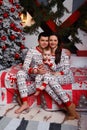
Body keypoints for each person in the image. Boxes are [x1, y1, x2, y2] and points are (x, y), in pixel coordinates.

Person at [15, 32, 78, 121]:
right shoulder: (34, 50)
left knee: (46, 80)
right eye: (42, 40)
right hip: (36, 73)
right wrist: (36, 70)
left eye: (47, 40)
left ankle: (22, 95)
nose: (45, 42)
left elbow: (58, 67)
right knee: (20, 73)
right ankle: (25, 102)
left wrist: (54, 72)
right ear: (38, 41)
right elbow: (26, 66)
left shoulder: (55, 51)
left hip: (52, 75)